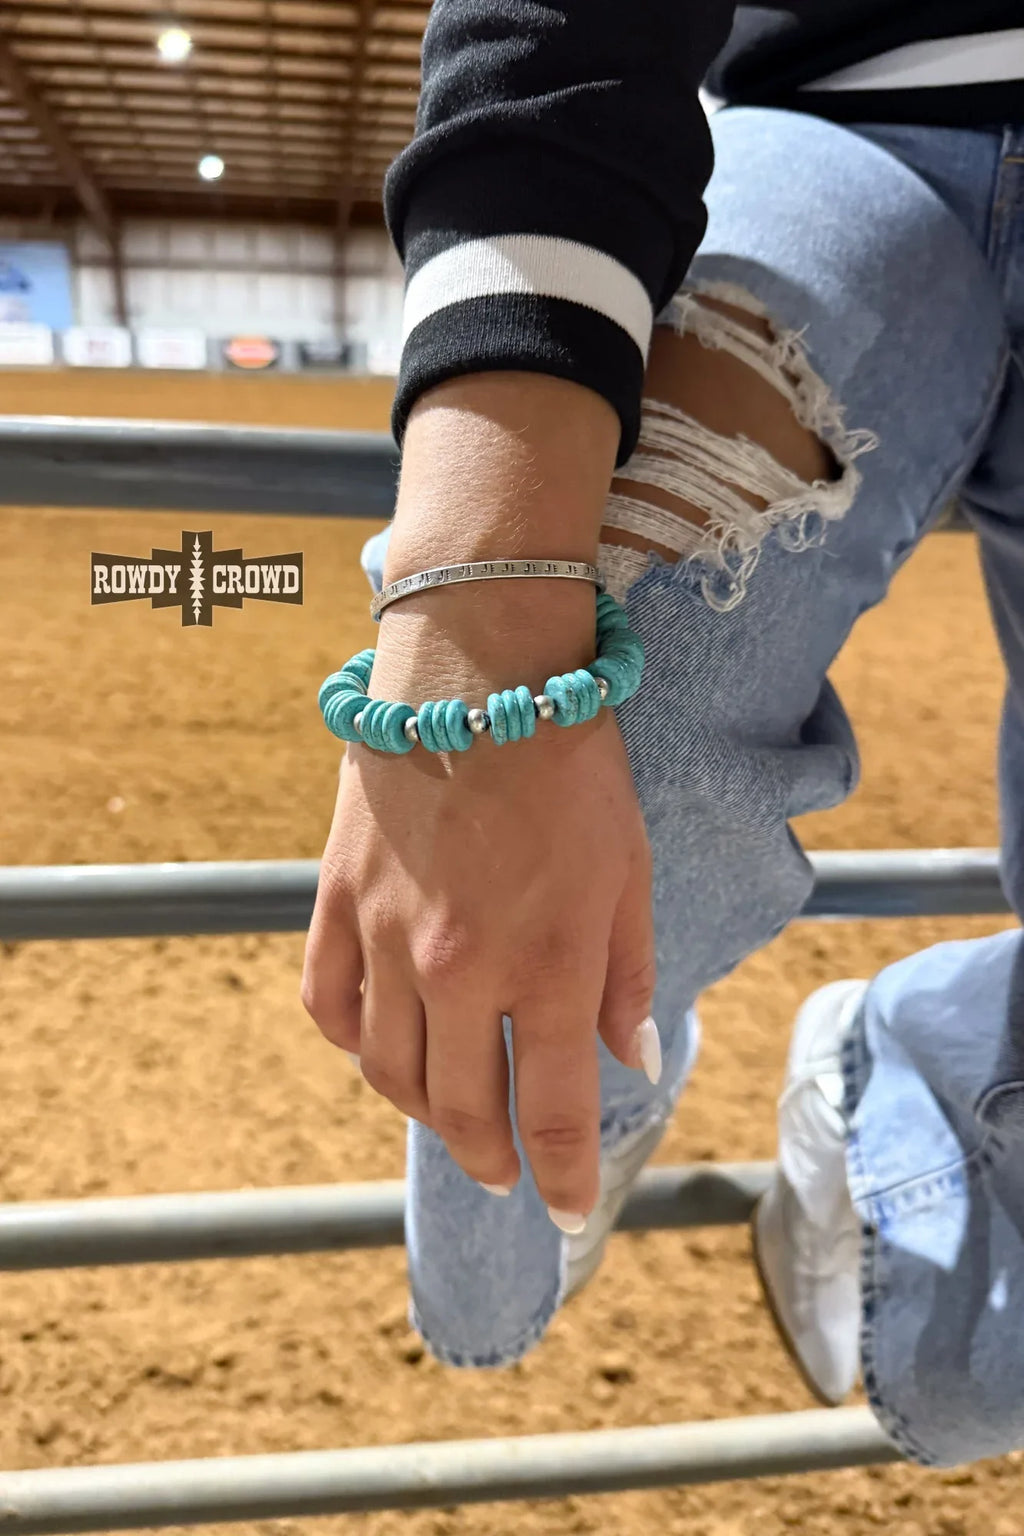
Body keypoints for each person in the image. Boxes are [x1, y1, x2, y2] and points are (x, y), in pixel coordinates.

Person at [301, 1, 1024, 1466]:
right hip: (850, 120)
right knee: (618, 695)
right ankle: (602, 1107)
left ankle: (908, 1055)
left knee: (975, 1385)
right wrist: (470, 587)